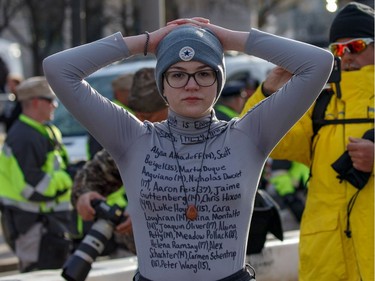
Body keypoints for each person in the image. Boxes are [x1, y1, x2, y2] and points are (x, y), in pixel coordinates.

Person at [43, 17, 333, 281]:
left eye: (204, 73)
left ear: (218, 82)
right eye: (177, 74)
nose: (191, 85)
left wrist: (227, 39)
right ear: (163, 86)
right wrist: (147, 42)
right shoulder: (132, 139)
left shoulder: (249, 136)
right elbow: (58, 70)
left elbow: (318, 63)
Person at [241, 3, 374, 280]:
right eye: (338, 49)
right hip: (327, 261)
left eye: (356, 46)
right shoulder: (319, 102)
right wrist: (269, 91)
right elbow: (254, 139)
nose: (346, 55)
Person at [72, 67, 168, 258]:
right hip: (149, 262)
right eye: (137, 114)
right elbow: (89, 177)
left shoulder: (210, 141)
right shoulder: (136, 142)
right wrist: (85, 195)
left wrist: (148, 214)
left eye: (149, 116)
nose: (141, 121)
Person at [0, 76, 74, 272]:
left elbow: (58, 168)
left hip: (47, 225)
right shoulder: (24, 137)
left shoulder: (45, 130)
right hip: (33, 227)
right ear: (35, 102)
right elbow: (33, 189)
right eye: (51, 100)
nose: (55, 105)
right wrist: (70, 178)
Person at [88, 73, 135, 159]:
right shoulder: (112, 114)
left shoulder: (127, 112)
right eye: (131, 90)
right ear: (119, 93)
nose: (135, 94)